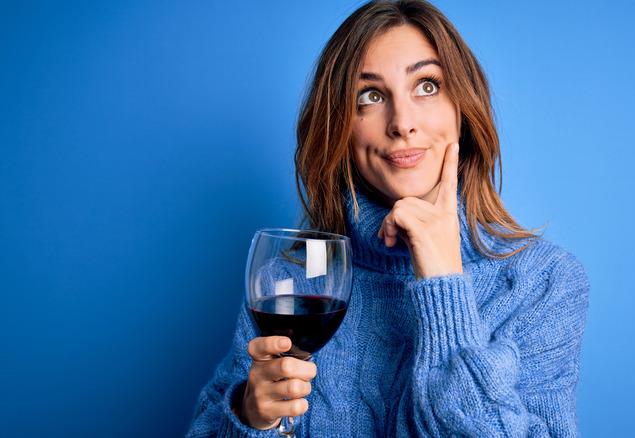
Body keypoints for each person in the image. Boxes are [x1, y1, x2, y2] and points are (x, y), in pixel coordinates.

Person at [187, 1, 589, 437]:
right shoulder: (290, 280)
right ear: (340, 125)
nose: (402, 122)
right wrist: (252, 419)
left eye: (427, 86)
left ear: (463, 110)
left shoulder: (545, 282)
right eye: (370, 96)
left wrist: (443, 283)